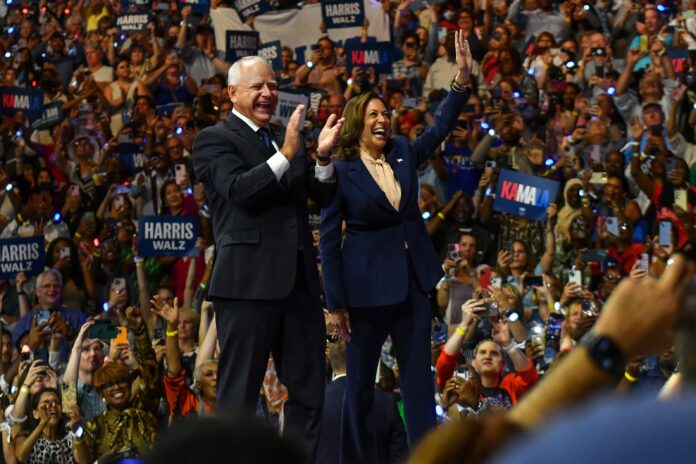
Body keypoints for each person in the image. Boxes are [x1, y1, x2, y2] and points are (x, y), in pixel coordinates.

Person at [320, 31, 473, 463]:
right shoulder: (342, 168)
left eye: (385, 112)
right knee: (360, 386)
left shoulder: (404, 151)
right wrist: (335, 303)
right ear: (357, 121)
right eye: (373, 114)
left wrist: (461, 82)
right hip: (365, 292)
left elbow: (440, 128)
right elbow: (330, 240)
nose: (383, 119)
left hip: (411, 285)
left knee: (420, 384)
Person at [191, 55, 344, 460]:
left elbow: (322, 195)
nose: (267, 93)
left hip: (298, 287)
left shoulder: (282, 135)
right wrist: (287, 154)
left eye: (272, 85)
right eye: (257, 86)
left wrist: (323, 157)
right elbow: (239, 191)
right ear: (232, 93)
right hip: (246, 286)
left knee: (310, 393)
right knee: (238, 398)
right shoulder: (214, 139)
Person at [316, 339, 408, 464]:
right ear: (362, 361)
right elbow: (400, 458)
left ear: (333, 364)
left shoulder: (316, 403)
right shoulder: (386, 403)